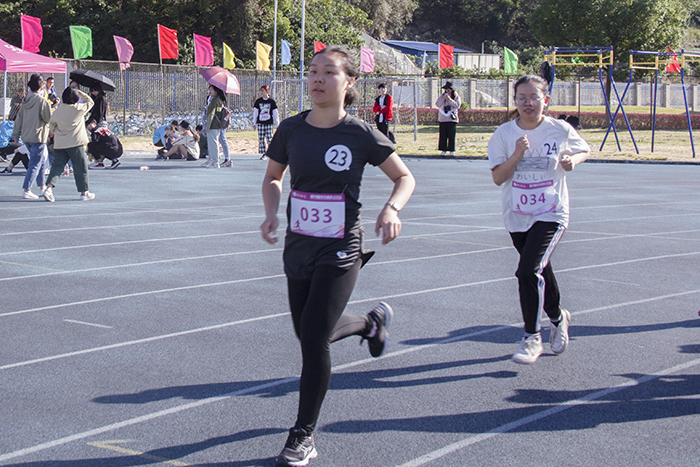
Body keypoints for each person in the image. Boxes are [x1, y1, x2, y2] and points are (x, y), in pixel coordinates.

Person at [260, 46, 415, 467]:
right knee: (310, 332)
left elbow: (404, 177)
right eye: (313, 71)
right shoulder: (291, 130)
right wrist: (271, 212)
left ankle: (303, 434)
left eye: (329, 72)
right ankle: (369, 322)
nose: (317, 78)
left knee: (313, 339)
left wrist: (392, 209)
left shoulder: (360, 134)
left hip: (341, 246)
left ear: (349, 83)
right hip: (299, 246)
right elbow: (273, 177)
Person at [487, 74, 590, 365]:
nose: (528, 103)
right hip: (517, 214)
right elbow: (498, 178)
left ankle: (532, 337)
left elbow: (584, 149)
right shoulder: (504, 134)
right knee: (540, 270)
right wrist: (517, 154)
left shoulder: (559, 129)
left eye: (534, 97)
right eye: (522, 98)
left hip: (551, 212)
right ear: (515, 101)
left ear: (546, 100)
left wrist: (573, 160)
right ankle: (558, 317)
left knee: (527, 271)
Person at [43, 87, 95, 202]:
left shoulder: (58, 111)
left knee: (57, 167)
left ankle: (49, 189)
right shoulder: (78, 109)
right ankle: (84, 192)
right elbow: (90, 102)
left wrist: (57, 131)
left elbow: (52, 126)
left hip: (60, 143)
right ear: (76, 98)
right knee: (80, 167)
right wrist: (81, 93)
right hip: (76, 143)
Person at [11, 74, 51, 199]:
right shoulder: (42, 101)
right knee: (35, 164)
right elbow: (47, 118)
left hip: (26, 136)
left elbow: (19, 119)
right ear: (41, 85)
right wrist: (52, 107)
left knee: (41, 161)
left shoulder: (25, 100)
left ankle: (42, 187)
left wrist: (16, 134)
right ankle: (27, 189)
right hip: (38, 136)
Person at [435, 81, 461, 156]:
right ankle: (443, 149)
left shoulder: (456, 96)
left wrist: (449, 99)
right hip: (443, 118)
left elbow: (457, 105)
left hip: (451, 119)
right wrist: (443, 99)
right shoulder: (442, 95)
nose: (447, 91)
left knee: (451, 135)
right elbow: (437, 104)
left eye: (449, 89)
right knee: (443, 135)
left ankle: (451, 150)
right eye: (446, 89)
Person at [253, 84, 279, 159]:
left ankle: (271, 153)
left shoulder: (271, 102)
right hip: (260, 123)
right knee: (261, 139)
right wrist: (254, 123)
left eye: (263, 91)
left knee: (269, 138)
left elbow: (275, 114)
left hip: (269, 123)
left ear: (267, 91)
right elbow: (255, 113)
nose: (261, 92)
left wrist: (277, 124)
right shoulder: (258, 101)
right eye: (260, 91)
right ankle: (263, 154)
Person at [203, 85, 226, 168]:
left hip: (213, 125)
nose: (210, 91)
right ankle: (211, 160)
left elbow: (211, 115)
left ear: (216, 91)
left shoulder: (214, 101)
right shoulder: (219, 100)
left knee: (213, 144)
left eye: (212, 90)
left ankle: (215, 162)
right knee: (212, 143)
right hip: (217, 125)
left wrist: (207, 126)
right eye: (209, 89)